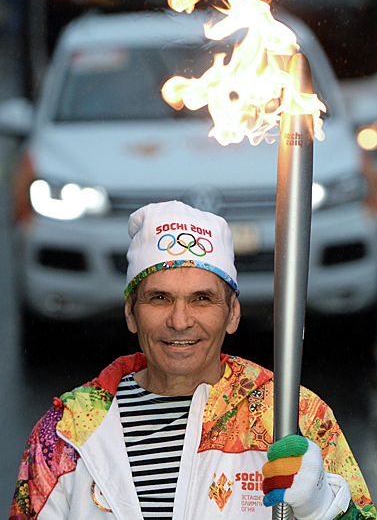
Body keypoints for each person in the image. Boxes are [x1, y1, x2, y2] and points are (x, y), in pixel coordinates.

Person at [9, 200, 376, 520]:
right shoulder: (67, 431)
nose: (180, 320)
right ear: (131, 313)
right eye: (159, 298)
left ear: (232, 314)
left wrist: (326, 510)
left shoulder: (293, 417)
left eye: (202, 299)